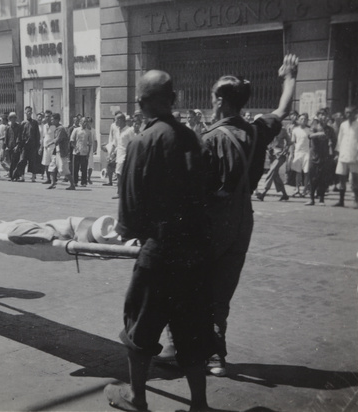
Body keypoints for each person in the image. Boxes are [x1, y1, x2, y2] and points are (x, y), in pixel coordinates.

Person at [104, 69, 215, 412]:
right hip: (194, 255)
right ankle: (199, 404)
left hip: (159, 253)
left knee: (140, 330)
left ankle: (138, 398)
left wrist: (127, 232)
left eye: (139, 101)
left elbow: (130, 207)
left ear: (143, 102)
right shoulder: (191, 137)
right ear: (174, 100)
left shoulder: (143, 141)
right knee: (192, 333)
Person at [201, 54, 298, 377]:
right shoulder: (257, 131)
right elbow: (283, 110)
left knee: (196, 283)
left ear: (219, 101)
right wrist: (289, 77)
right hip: (244, 217)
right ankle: (216, 357)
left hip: (215, 218)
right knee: (224, 287)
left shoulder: (210, 139)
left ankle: (194, 349)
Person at [305, 111, 335, 206]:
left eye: (325, 116)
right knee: (312, 178)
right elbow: (309, 136)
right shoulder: (314, 127)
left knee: (323, 178)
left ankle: (321, 199)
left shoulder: (330, 129)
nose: (324, 117)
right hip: (314, 156)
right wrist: (321, 134)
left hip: (325, 156)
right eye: (321, 115)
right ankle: (311, 199)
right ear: (318, 117)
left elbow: (334, 140)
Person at [256, 125, 292, 201]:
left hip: (280, 155)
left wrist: (285, 150)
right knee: (275, 175)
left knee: (272, 171)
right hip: (271, 155)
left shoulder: (283, 130)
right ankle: (284, 195)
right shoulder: (268, 129)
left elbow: (289, 142)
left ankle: (263, 192)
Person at [332, 106, 358, 208]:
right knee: (341, 178)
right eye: (347, 113)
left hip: (354, 155)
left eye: (350, 113)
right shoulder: (343, 125)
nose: (348, 115)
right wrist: (337, 153)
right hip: (343, 154)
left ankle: (356, 200)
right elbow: (340, 140)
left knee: (355, 179)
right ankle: (341, 201)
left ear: (354, 113)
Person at [107, 112, 135, 199]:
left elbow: (133, 142)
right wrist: (110, 154)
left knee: (120, 174)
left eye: (116, 120)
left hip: (126, 156)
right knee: (120, 174)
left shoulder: (129, 130)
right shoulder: (117, 131)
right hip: (119, 155)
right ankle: (124, 192)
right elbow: (115, 144)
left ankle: (120, 192)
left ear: (120, 120)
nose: (115, 122)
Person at [46, 113, 76, 190]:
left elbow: (58, 139)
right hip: (56, 151)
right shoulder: (56, 129)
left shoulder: (61, 129)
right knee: (52, 167)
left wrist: (49, 143)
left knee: (64, 169)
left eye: (53, 119)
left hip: (62, 152)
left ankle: (72, 184)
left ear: (57, 120)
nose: (51, 120)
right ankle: (53, 183)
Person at [17, 106, 42, 182]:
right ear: (25, 113)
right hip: (25, 145)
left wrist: (38, 145)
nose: (29, 113)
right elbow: (20, 135)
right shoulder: (23, 123)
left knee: (33, 161)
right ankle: (22, 177)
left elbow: (37, 134)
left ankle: (33, 177)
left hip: (33, 145)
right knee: (22, 160)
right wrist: (19, 144)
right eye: (27, 111)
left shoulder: (34, 123)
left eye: (30, 111)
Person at [290, 113, 311, 197]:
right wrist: (292, 154)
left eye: (305, 119)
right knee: (298, 172)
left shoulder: (309, 130)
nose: (303, 121)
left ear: (307, 120)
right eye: (301, 119)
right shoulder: (295, 130)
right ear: (298, 120)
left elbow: (312, 143)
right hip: (297, 153)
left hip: (307, 153)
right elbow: (292, 143)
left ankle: (305, 189)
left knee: (306, 172)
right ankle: (297, 189)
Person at [70, 117, 94, 186]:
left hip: (84, 152)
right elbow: (72, 141)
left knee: (84, 168)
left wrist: (88, 154)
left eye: (86, 122)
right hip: (76, 152)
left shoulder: (89, 132)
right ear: (80, 122)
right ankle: (75, 182)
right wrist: (75, 148)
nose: (85, 123)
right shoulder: (76, 130)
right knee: (75, 168)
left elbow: (90, 144)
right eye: (84, 121)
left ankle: (83, 182)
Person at [40, 110, 56, 185]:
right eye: (46, 116)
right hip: (45, 147)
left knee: (53, 163)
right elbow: (43, 137)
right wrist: (41, 147)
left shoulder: (54, 126)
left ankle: (54, 179)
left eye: (49, 116)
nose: (47, 118)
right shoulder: (44, 126)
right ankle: (48, 178)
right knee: (46, 163)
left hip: (53, 147)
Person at [5, 112, 22, 181]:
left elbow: (19, 136)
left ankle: (15, 176)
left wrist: (17, 145)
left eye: (14, 117)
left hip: (16, 146)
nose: (13, 119)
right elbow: (6, 137)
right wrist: (6, 146)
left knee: (15, 161)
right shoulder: (8, 128)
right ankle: (12, 175)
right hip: (10, 146)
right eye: (11, 118)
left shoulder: (19, 127)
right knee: (11, 161)